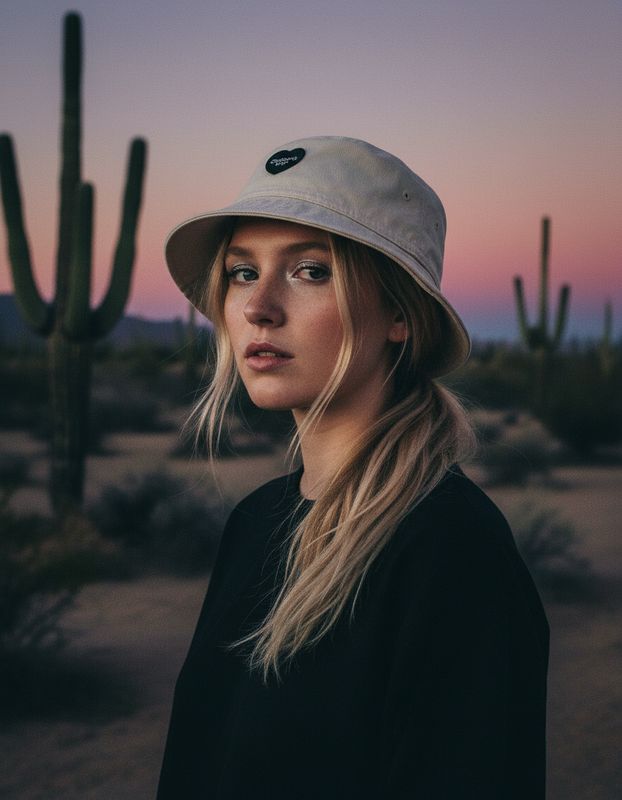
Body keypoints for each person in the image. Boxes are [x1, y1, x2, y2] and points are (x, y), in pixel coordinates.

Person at [157, 136, 549, 799]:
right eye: (243, 271)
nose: (257, 306)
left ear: (399, 314)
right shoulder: (256, 522)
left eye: (311, 271)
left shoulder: (449, 551)